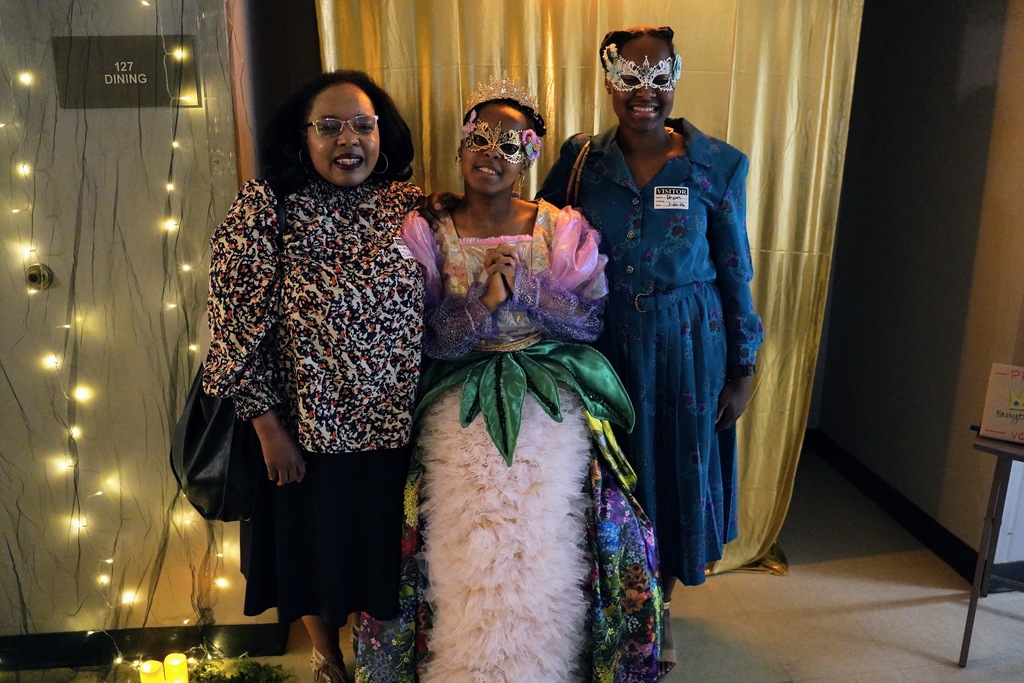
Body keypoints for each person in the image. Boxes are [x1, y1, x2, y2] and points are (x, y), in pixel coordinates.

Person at [355, 75, 662, 683]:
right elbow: (423, 335)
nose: (490, 155)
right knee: (466, 533)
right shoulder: (427, 230)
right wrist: (483, 304)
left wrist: (530, 292)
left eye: (508, 144)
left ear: (529, 157)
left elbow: (588, 322)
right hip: (459, 388)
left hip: (547, 384)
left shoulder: (558, 225)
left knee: (548, 534)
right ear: (461, 145)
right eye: (479, 138)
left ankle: (540, 660)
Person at [535, 26, 765, 677]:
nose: (645, 93)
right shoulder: (583, 159)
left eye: (658, 76)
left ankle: (656, 609)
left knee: (670, 472)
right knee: (609, 476)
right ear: (608, 80)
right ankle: (607, 604)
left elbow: (734, 268)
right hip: (604, 343)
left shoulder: (716, 165)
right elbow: (541, 237)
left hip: (689, 344)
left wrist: (744, 365)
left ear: (676, 76)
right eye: (630, 79)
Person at [202, 70, 424, 683]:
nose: (347, 140)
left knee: (381, 558)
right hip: (305, 434)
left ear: (383, 135)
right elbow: (233, 328)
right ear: (302, 137)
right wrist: (270, 430)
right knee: (313, 559)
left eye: (362, 125)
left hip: (392, 430)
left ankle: (381, 659)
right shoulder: (265, 208)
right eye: (329, 127)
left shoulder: (405, 204)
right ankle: (329, 660)